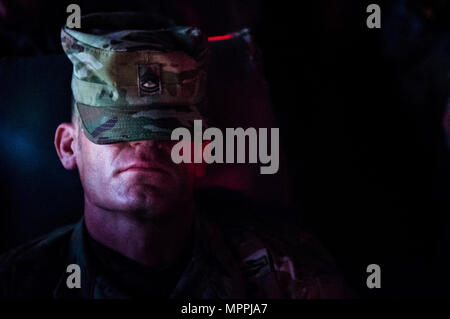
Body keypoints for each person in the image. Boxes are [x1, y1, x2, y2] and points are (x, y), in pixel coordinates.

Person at [0, 12, 349, 299]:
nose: (146, 144)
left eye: (169, 128)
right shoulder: (17, 285)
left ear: (202, 152)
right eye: (118, 127)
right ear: (68, 146)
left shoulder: (287, 277)